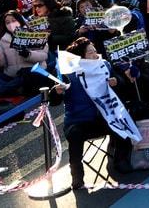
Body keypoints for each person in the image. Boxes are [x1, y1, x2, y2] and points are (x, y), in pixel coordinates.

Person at [51, 37, 134, 192]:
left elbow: (121, 83)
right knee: (75, 136)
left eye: (95, 51)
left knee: (120, 122)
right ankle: (77, 176)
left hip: (103, 116)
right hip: (78, 121)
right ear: (80, 57)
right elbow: (54, 101)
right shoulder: (68, 73)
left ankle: (121, 160)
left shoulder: (105, 65)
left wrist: (117, 81)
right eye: (90, 52)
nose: (95, 55)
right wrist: (56, 92)